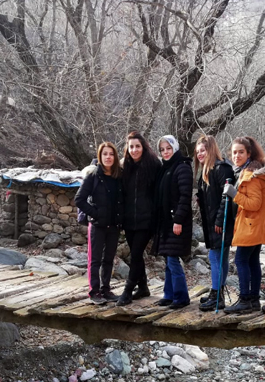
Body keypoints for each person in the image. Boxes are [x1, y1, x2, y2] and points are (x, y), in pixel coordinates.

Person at [223, 137, 265, 314]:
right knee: (252, 261)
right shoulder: (248, 171)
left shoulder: (251, 175)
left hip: (251, 225)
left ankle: (245, 299)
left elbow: (254, 204)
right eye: (234, 152)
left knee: (241, 260)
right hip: (255, 225)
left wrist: (234, 194)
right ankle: (253, 300)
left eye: (241, 152)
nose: (236, 155)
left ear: (249, 153)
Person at [75, 142, 124, 305]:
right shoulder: (93, 175)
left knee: (109, 259)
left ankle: (106, 289)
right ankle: (94, 291)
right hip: (97, 225)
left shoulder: (119, 176)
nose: (108, 157)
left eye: (111, 154)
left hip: (114, 225)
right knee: (94, 259)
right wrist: (95, 214)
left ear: (115, 157)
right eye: (105, 154)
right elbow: (79, 199)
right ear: (100, 156)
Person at [117, 132, 162, 306]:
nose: (134, 150)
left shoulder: (153, 165)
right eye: (131, 146)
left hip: (147, 219)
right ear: (127, 149)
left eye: (137, 146)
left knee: (135, 254)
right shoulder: (125, 167)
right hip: (129, 219)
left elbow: (160, 192)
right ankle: (143, 287)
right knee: (136, 255)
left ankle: (127, 291)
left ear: (143, 146)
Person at [152, 135, 193, 309]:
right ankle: (169, 294)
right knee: (168, 259)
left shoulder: (182, 167)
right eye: (162, 150)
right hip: (166, 222)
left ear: (175, 148)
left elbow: (185, 196)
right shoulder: (166, 168)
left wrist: (178, 220)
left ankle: (181, 297)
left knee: (173, 259)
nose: (165, 152)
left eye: (168, 148)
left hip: (177, 221)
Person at [195, 135, 236, 311]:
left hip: (220, 222)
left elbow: (226, 197)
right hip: (212, 221)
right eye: (197, 152)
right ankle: (216, 293)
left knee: (215, 257)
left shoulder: (221, 169)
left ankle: (216, 294)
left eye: (202, 150)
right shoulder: (207, 170)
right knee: (221, 257)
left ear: (211, 149)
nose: (199, 154)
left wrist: (219, 220)